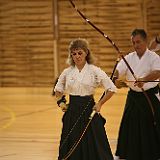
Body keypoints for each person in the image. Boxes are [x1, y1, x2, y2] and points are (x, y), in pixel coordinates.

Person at [54, 38, 117, 160]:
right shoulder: (67, 72)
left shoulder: (94, 70)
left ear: (86, 53)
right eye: (74, 53)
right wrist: (61, 102)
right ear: (71, 55)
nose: (77, 56)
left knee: (95, 144)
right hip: (72, 111)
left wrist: (100, 104)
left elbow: (111, 89)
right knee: (71, 144)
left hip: (89, 110)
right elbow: (58, 90)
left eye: (80, 53)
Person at [114, 29, 160, 160]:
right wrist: (115, 78)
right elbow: (118, 70)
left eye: (138, 42)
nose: (136, 45)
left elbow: (157, 72)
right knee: (129, 125)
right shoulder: (129, 57)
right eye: (133, 42)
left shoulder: (154, 57)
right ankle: (129, 153)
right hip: (134, 96)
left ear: (145, 41)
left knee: (153, 124)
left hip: (150, 96)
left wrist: (144, 79)